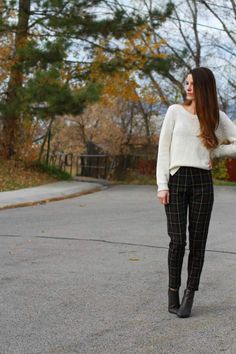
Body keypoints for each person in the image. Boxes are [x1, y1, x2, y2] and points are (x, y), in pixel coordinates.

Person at [156, 67, 236, 318]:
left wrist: (215, 152)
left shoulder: (216, 117)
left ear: (204, 88)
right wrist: (162, 185)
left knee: (198, 242)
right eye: (186, 83)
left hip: (202, 181)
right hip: (177, 179)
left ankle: (190, 294)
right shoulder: (174, 112)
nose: (188, 87)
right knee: (178, 240)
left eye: (192, 84)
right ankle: (173, 292)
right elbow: (164, 150)